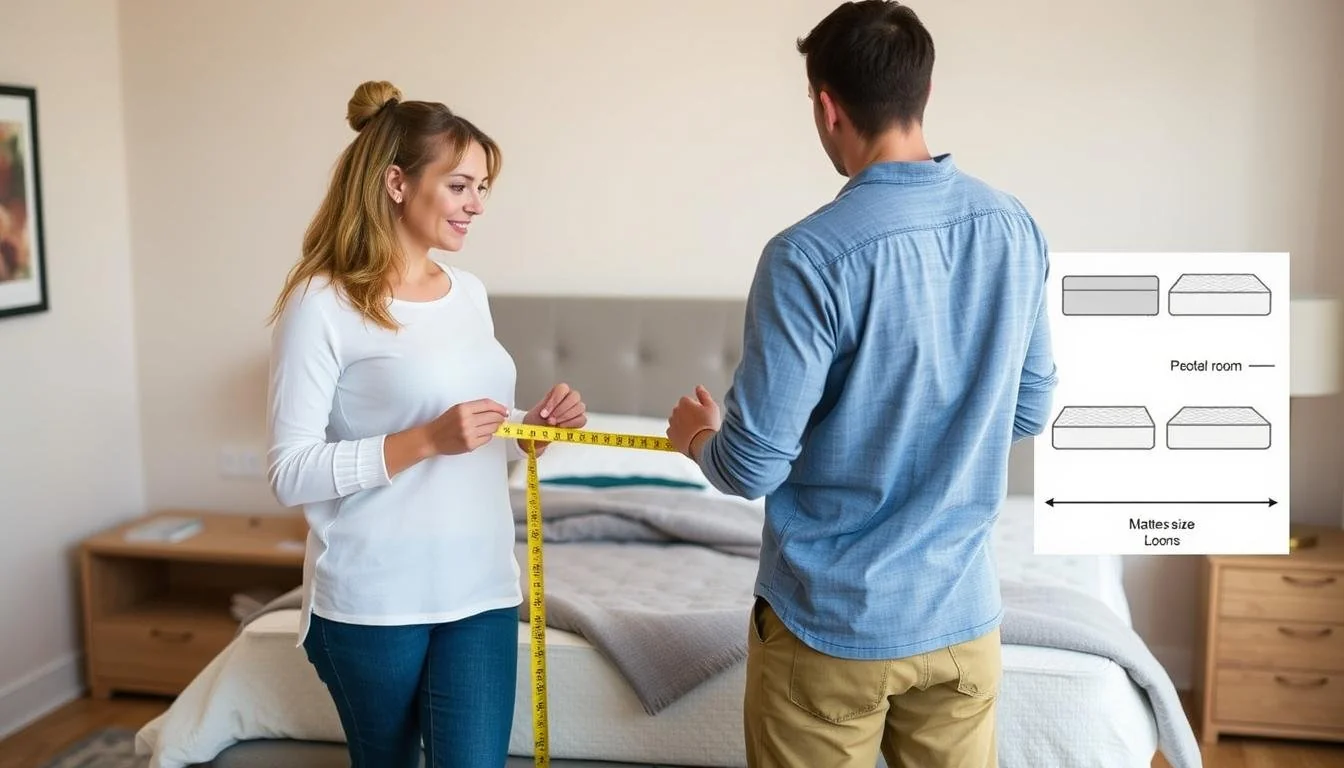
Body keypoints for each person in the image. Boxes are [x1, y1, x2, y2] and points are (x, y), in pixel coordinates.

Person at [665, 3, 1057, 767]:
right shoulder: (1015, 227)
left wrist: (698, 438)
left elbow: (751, 467)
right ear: (926, 90)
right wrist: (939, 442)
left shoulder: (807, 258)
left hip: (829, 628)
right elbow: (1032, 404)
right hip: (963, 625)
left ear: (825, 106)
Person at [265, 80, 587, 768]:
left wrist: (530, 430)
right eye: (461, 185)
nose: (477, 205)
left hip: (481, 585)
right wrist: (425, 441)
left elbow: (473, 439)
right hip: (375, 598)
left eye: (482, 188)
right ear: (397, 183)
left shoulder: (468, 293)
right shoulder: (320, 303)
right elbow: (289, 471)